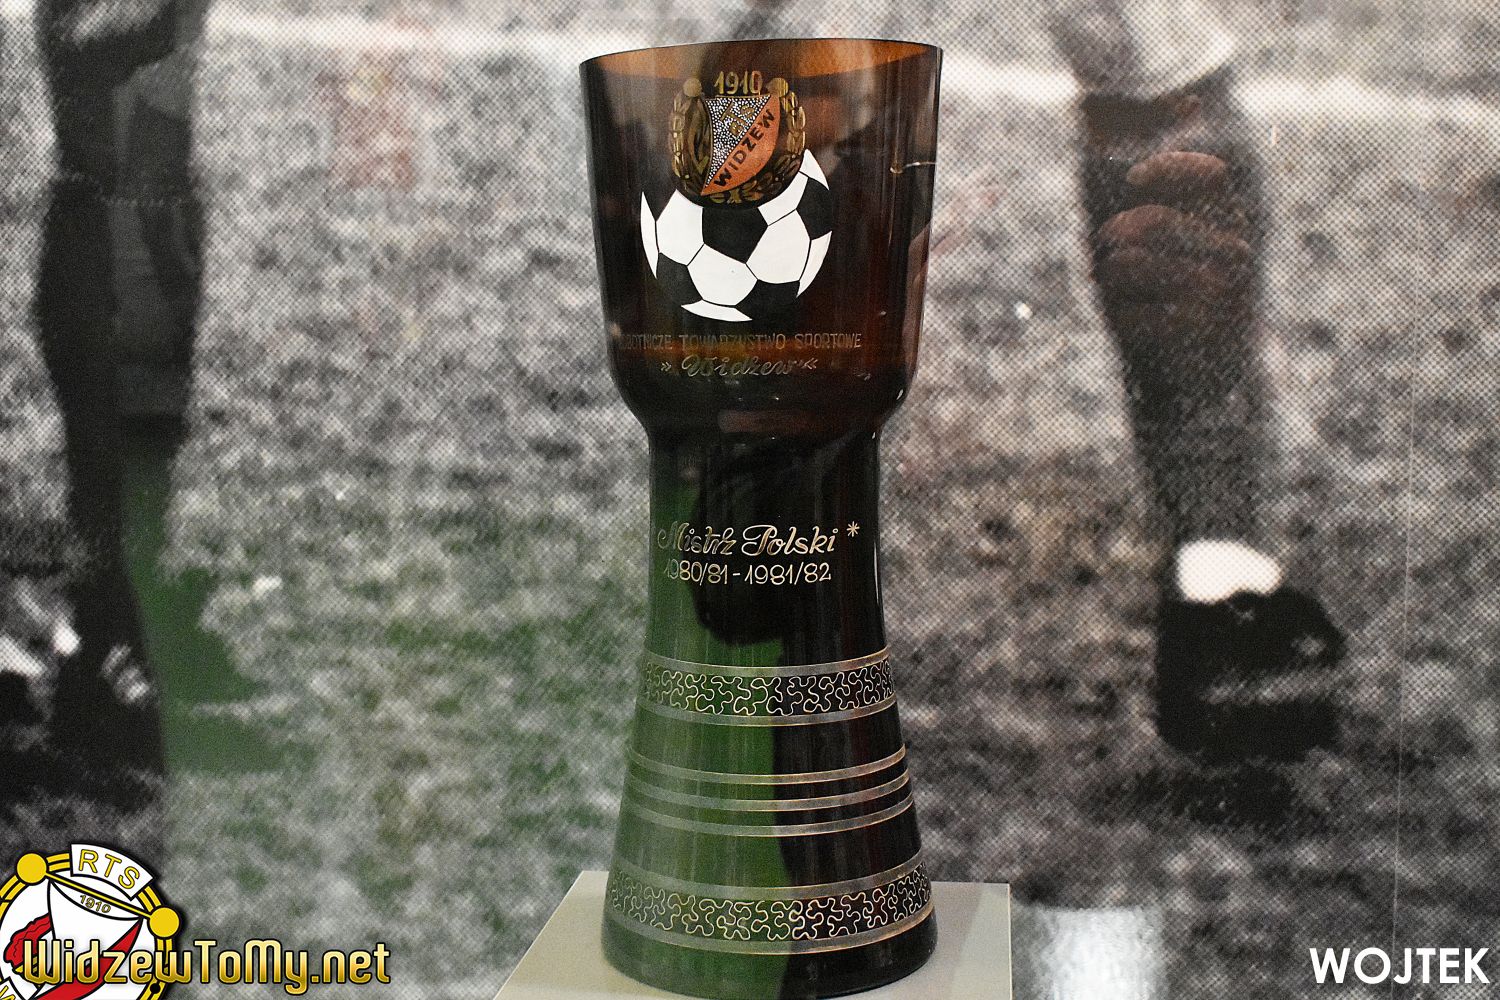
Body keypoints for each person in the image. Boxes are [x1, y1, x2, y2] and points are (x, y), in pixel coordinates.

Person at [11, 0, 261, 803]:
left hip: (159, 230)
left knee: (148, 471)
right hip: (99, 236)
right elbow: (103, 42)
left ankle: (123, 668)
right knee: (107, 482)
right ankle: (93, 689)